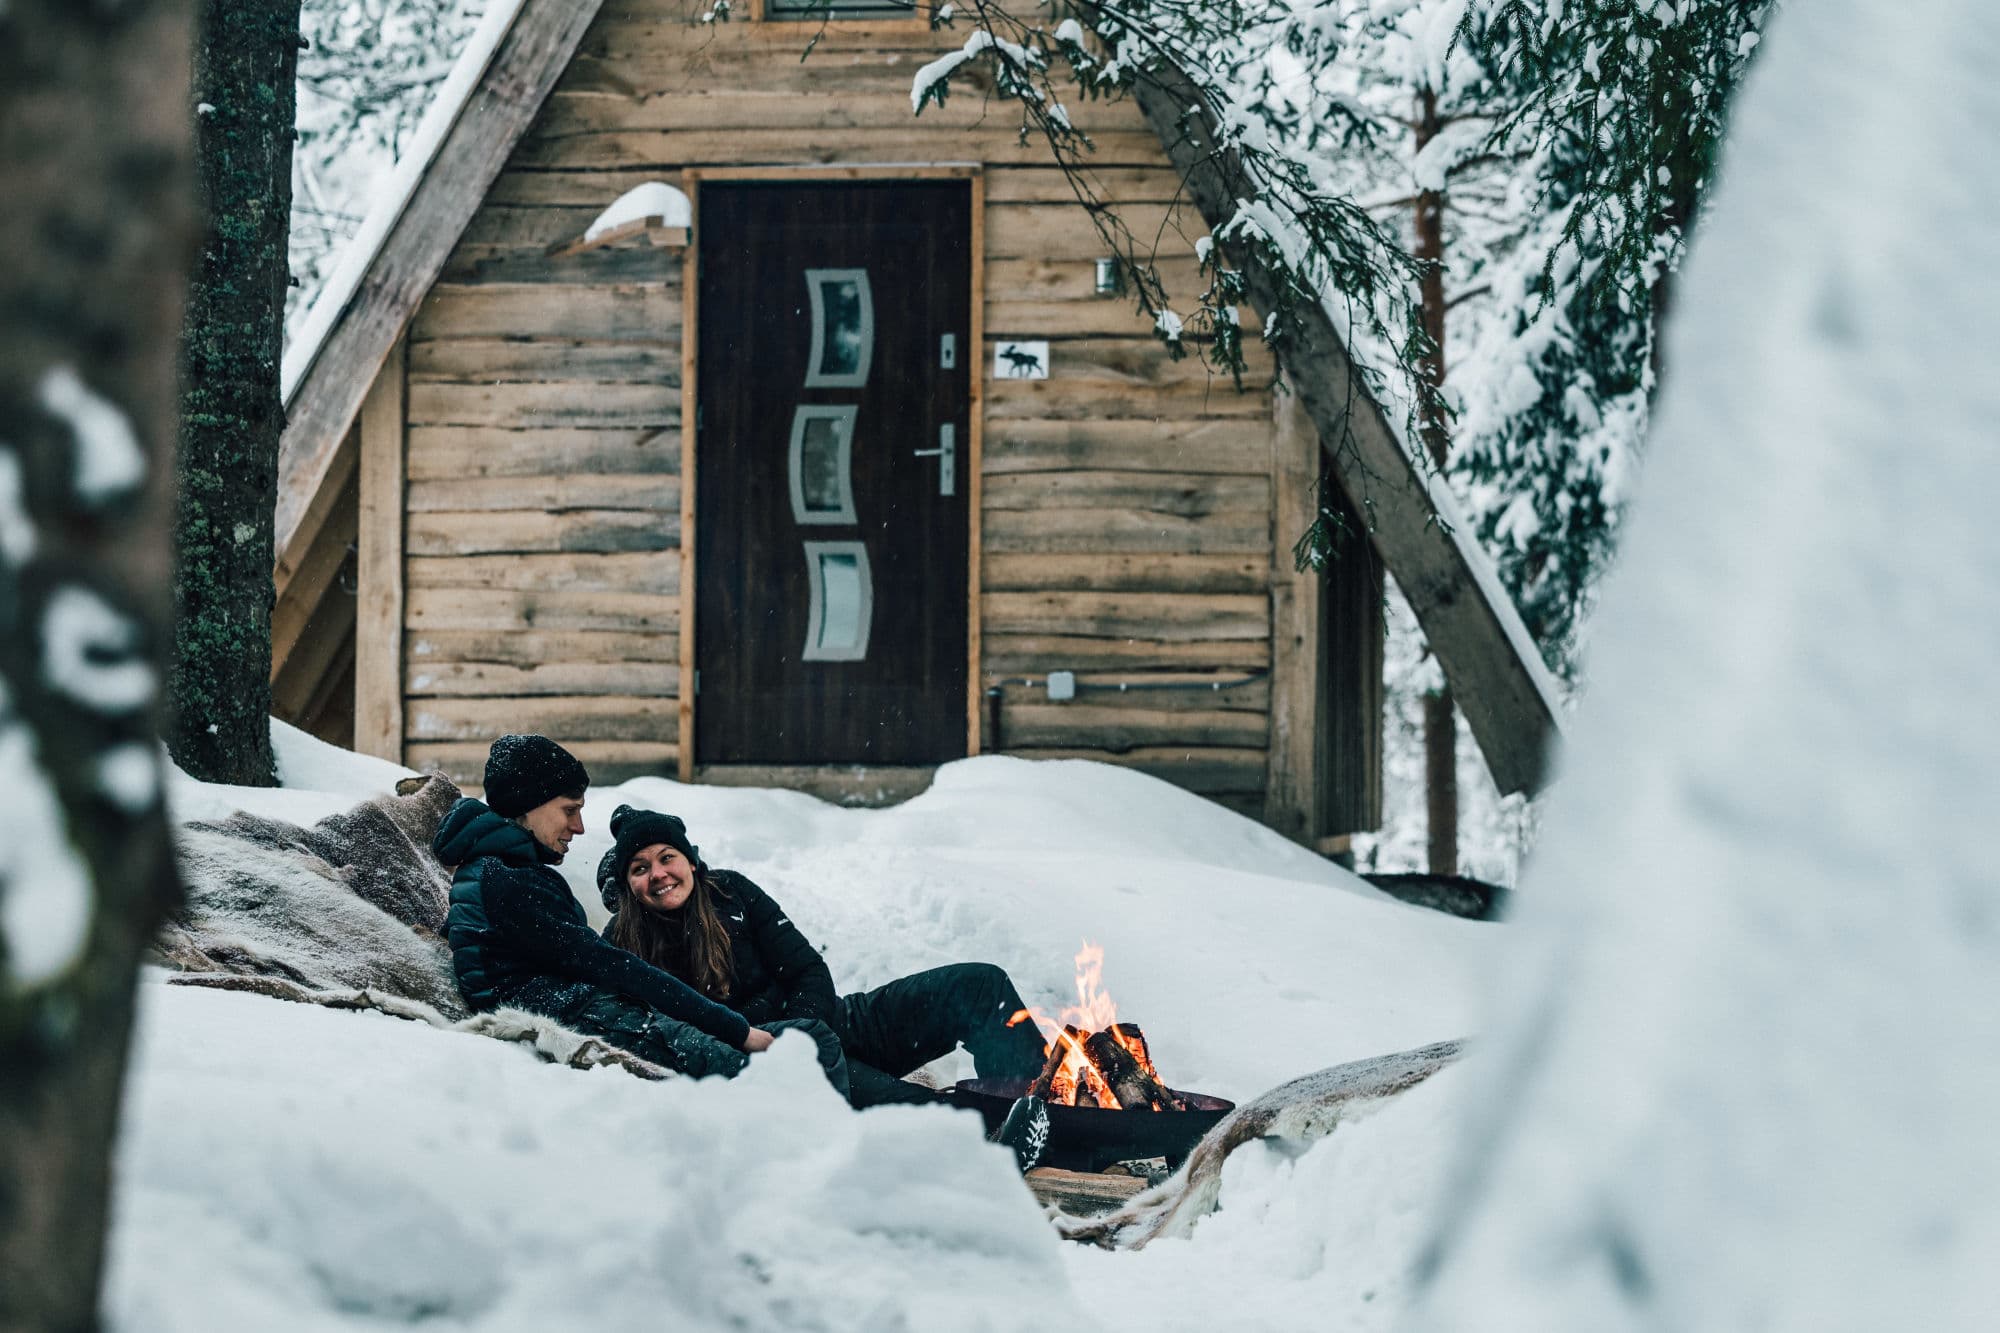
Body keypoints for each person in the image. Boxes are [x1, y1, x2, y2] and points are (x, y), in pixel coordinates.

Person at [431, 734, 848, 1095]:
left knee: (812, 1039)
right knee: (762, 1069)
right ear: (531, 804)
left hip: (591, 1010)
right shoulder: (508, 880)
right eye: (569, 809)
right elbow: (612, 967)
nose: (578, 827)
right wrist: (737, 1030)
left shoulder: (497, 872)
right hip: (583, 1018)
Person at [594, 804, 1050, 1113]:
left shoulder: (730, 891)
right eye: (640, 868)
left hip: (832, 1024)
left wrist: (809, 1028)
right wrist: (795, 1051)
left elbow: (806, 969)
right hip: (773, 1064)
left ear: (690, 861)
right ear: (628, 885)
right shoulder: (620, 945)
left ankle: (1036, 1103)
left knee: (979, 985)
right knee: (925, 1112)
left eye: (666, 857)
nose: (658, 874)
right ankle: (996, 1135)